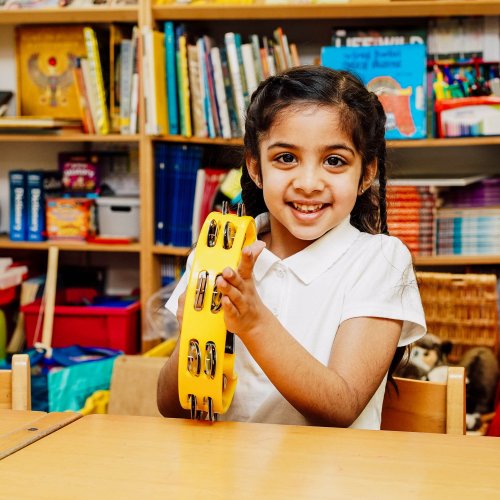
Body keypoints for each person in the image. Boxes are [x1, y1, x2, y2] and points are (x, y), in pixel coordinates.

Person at [157, 65, 426, 429]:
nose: (309, 183)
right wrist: (196, 327)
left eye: (334, 161)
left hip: (332, 481)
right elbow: (170, 406)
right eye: (286, 158)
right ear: (255, 166)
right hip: (223, 477)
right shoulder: (221, 249)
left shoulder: (381, 260)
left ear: (365, 174)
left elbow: (341, 405)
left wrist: (254, 322)